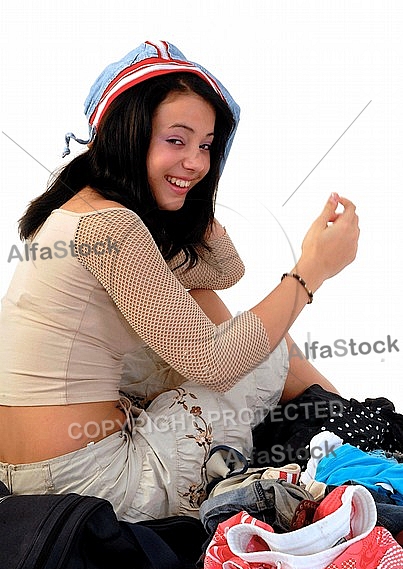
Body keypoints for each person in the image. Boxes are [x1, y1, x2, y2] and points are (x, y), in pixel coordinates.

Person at [0, 41, 359, 521]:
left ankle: (342, 425)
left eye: (207, 146)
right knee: (269, 346)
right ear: (128, 134)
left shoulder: (78, 210)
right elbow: (213, 364)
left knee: (201, 301)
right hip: (95, 481)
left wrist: (179, 190)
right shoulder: (112, 226)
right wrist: (310, 271)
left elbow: (225, 270)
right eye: (177, 139)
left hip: (29, 470)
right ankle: (350, 431)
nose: (196, 162)